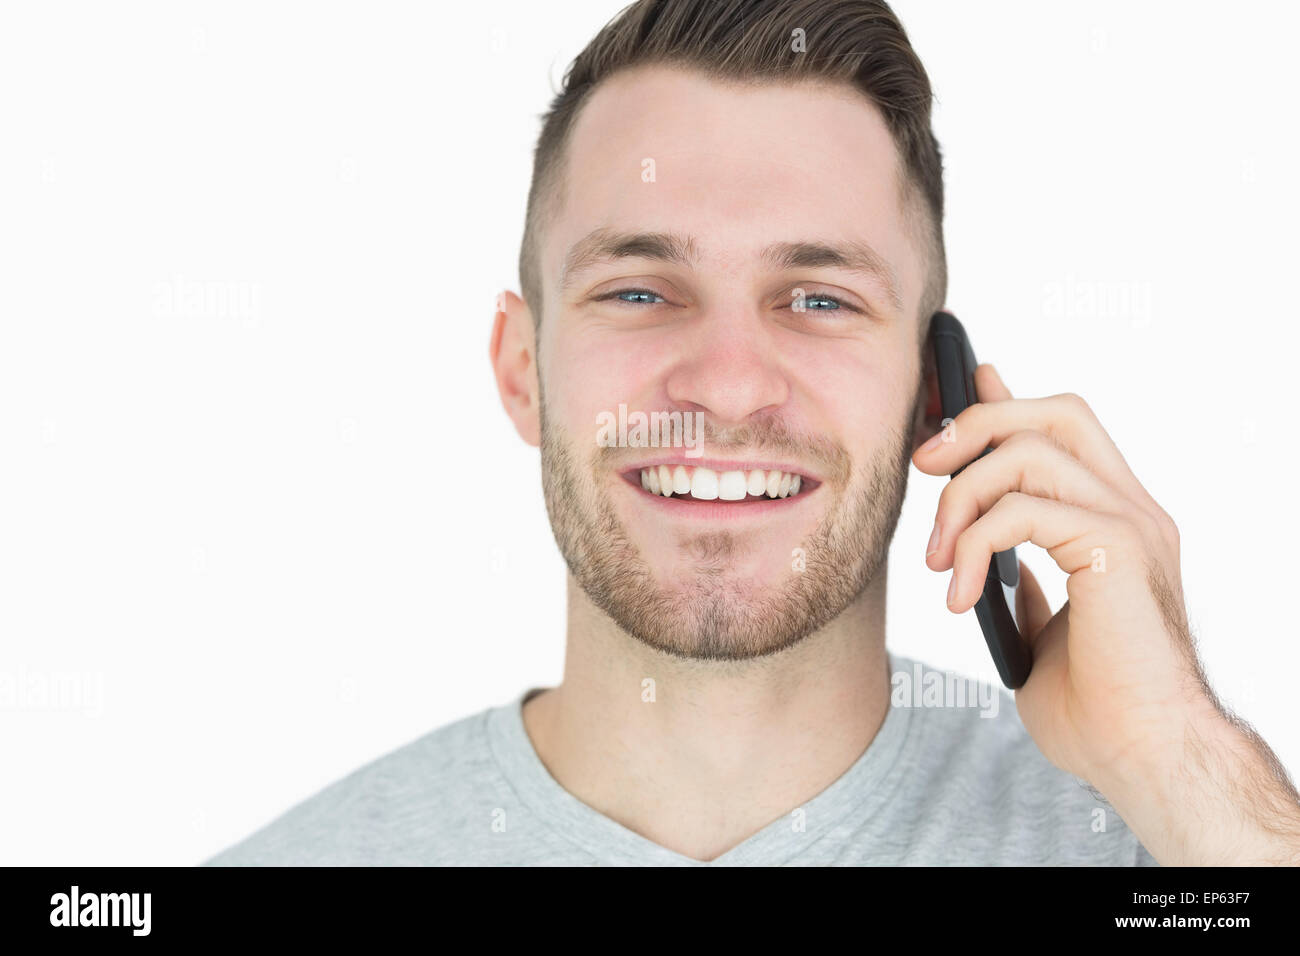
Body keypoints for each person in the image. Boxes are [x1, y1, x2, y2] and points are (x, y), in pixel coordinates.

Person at [204, 0, 1300, 866]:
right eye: (640, 291)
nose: (729, 387)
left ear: (936, 390)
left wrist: (1180, 758)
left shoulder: (1172, 855)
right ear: (522, 368)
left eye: (818, 299)